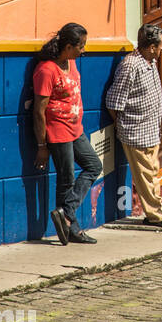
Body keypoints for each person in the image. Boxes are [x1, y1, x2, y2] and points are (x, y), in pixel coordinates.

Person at [105, 24, 162, 229]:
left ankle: (159, 209)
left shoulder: (151, 62)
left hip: (151, 130)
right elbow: (114, 102)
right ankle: (155, 214)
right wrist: (124, 124)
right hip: (135, 131)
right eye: (160, 45)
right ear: (152, 46)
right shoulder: (131, 65)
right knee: (145, 176)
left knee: (153, 173)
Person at [33, 21, 102, 245]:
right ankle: (71, 227)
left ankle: (65, 211)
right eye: (81, 46)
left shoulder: (71, 63)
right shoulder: (46, 70)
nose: (84, 50)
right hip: (58, 130)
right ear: (68, 46)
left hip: (76, 129)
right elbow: (38, 111)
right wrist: (42, 146)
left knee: (94, 166)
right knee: (67, 179)